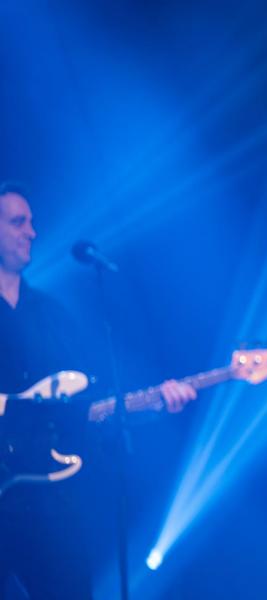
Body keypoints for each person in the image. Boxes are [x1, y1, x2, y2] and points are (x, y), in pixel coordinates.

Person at [0, 182, 196, 599]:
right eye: (18, 222)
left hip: (51, 502)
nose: (31, 232)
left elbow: (92, 408)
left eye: (31, 222)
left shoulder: (53, 316)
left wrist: (153, 405)